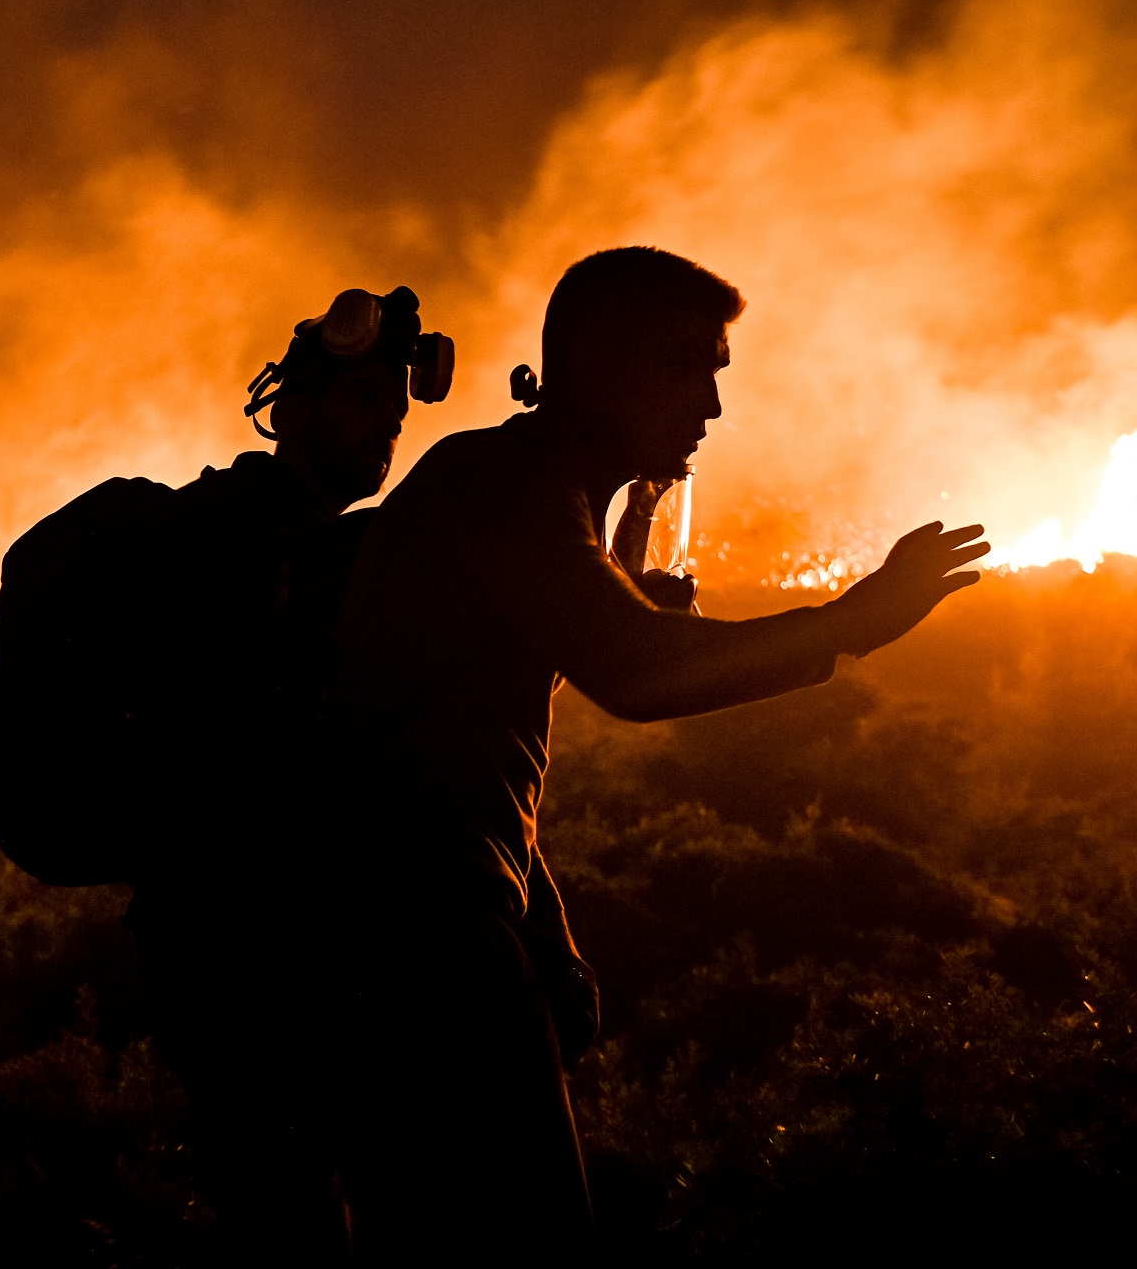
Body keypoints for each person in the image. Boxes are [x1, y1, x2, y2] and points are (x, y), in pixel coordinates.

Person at [329, 246, 988, 1260]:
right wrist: (850, 621)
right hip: (412, 943)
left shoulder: (520, 485)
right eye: (690, 367)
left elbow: (454, 750)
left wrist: (534, 924)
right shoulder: (503, 483)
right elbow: (633, 673)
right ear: (597, 367)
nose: (713, 407)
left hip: (421, 927)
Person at [131, 286, 447, 1263]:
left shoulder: (302, 541)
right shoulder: (242, 537)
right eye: (364, 410)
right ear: (297, 407)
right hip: (243, 941)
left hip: (275, 936)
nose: (383, 438)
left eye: (394, 421)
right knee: (296, 1217)